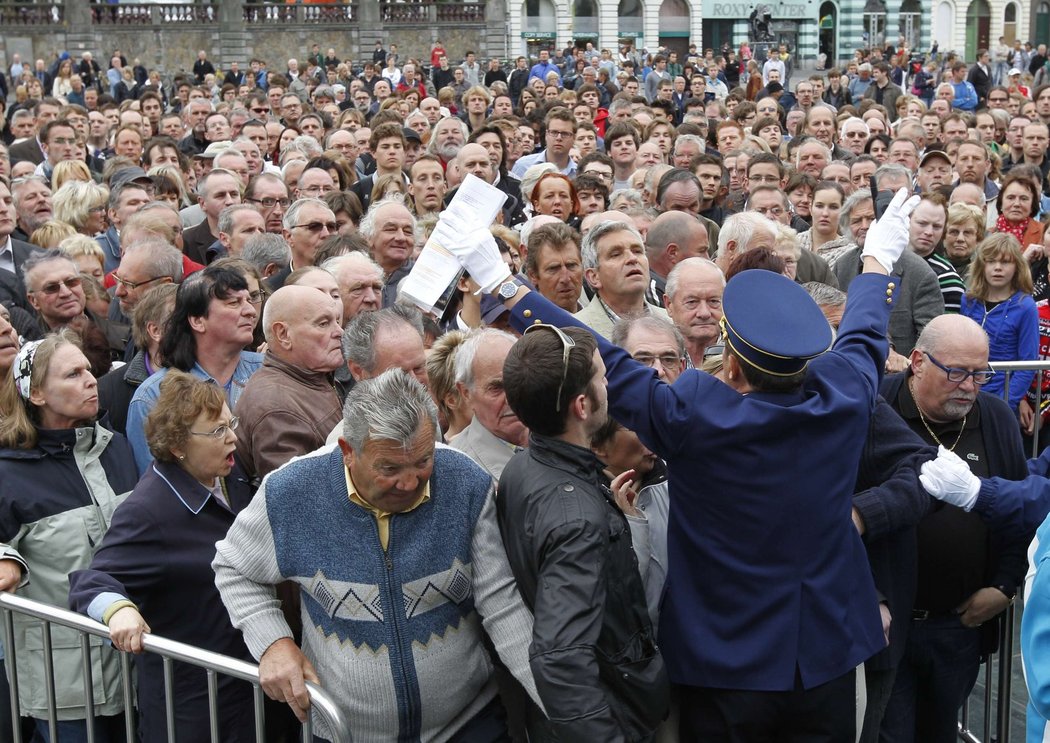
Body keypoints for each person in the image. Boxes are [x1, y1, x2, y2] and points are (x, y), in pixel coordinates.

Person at [450, 188, 923, 741]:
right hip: (829, 656)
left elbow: (602, 357)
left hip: (725, 664)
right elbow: (865, 333)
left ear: (735, 361)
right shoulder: (845, 394)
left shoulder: (695, 413)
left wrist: (502, 284)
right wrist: (878, 259)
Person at [212, 369, 543, 740]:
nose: (410, 482)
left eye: (423, 462)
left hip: (468, 725)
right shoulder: (291, 493)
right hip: (343, 731)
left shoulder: (464, 482)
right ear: (348, 451)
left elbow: (502, 604)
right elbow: (234, 568)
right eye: (390, 468)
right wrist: (274, 642)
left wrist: (565, 707)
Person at [496, 321, 669, 740]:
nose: (609, 384)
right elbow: (562, 661)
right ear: (582, 405)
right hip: (612, 714)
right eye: (602, 377)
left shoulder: (525, 463)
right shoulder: (577, 522)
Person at [68, 372, 256, 742]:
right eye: (217, 431)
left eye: (230, 424)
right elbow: (90, 582)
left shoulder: (230, 477)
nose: (233, 437)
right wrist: (118, 609)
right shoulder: (148, 510)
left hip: (243, 689)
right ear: (178, 446)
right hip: (191, 707)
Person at [879, 314, 1031, 743]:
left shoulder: (995, 418)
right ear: (917, 361)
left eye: (980, 373)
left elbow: (1017, 512)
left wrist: (1004, 586)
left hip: (958, 625)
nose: (969, 385)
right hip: (886, 623)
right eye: (957, 372)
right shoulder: (877, 408)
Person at [0, 332, 138, 741]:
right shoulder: (7, 470)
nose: (91, 380)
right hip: (65, 680)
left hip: (135, 660)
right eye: (73, 374)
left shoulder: (118, 449)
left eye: (89, 370)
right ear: (37, 394)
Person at [126, 265, 263, 473]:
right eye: (234, 303)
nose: (251, 311)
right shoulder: (153, 396)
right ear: (198, 321)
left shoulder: (267, 370)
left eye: (250, 300)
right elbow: (160, 483)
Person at [233, 285, 343, 481]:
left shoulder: (312, 373)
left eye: (337, 321)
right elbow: (296, 499)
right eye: (324, 323)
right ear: (283, 334)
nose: (339, 331)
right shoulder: (276, 409)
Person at [960, 233, 1038, 413]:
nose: (997, 268)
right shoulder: (968, 300)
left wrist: (1006, 403)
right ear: (982, 264)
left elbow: (1028, 364)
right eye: (991, 261)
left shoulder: (1025, 306)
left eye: (1005, 262)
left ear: (1017, 266)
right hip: (965, 391)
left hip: (1002, 397)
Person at [448, 329, 527, 480]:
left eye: (517, 382)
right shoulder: (457, 472)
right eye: (496, 388)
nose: (511, 398)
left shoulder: (560, 436)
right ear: (465, 393)